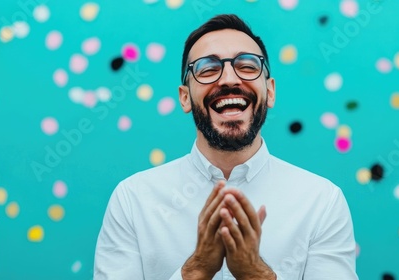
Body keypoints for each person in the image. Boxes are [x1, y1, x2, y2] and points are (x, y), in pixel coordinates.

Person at [94, 14, 358, 279]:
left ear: (270, 91)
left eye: (247, 66)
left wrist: (256, 274)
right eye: (208, 69)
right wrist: (195, 270)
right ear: (185, 98)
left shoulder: (322, 202)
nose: (229, 79)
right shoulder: (132, 199)